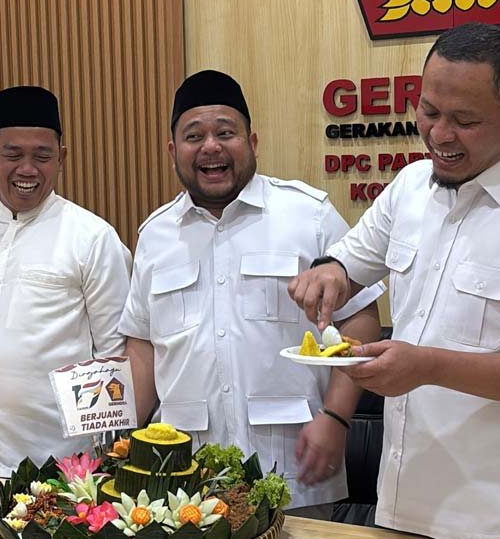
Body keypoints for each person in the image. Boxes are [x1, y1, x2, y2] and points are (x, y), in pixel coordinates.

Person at [289, 23, 500, 539]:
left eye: (464, 120)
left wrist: (429, 366)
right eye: (429, 112)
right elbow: (348, 265)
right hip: (400, 507)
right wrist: (327, 274)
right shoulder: (411, 188)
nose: (439, 135)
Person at [119, 70, 384, 516]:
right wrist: (123, 437)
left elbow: (359, 318)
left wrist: (337, 420)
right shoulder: (155, 234)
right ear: (172, 152)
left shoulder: (308, 215)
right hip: (185, 481)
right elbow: (144, 346)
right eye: (194, 136)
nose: (211, 147)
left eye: (226, 132)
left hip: (295, 471)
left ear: (253, 142)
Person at [0, 86, 131, 476]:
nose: (27, 169)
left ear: (61, 159)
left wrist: (110, 457)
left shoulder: (92, 237)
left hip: (63, 466)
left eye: (42, 156)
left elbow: (113, 357)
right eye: (12, 154)